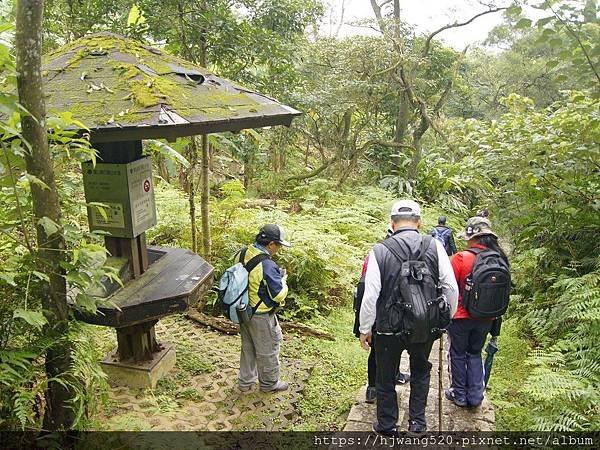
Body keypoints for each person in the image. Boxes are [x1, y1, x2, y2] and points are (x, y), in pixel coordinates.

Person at [359, 200, 458, 436]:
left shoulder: (379, 250)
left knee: (385, 377)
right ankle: (417, 423)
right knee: (421, 372)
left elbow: (370, 294)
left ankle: (386, 425)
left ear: (392, 224)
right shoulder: (434, 246)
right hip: (424, 325)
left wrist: (365, 329)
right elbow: (450, 287)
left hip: (387, 328)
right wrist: (445, 318)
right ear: (419, 223)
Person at [445, 216, 509, 407]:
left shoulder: (461, 258)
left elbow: (448, 287)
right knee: (474, 353)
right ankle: (475, 396)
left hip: (461, 317)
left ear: (472, 237)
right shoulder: (500, 259)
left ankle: (459, 394)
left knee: (457, 353)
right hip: (487, 317)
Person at [236, 224, 290, 393]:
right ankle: (269, 384)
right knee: (268, 349)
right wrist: (283, 281)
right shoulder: (267, 264)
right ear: (271, 244)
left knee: (248, 347)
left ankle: (245, 382)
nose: (279, 249)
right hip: (261, 314)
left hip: (243, 310)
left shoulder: (243, 253)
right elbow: (278, 295)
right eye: (279, 245)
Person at [353, 247, 410, 405]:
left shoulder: (374, 255)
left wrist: (365, 325)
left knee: (376, 350)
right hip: (387, 313)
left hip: (376, 311)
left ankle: (372, 388)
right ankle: (386, 382)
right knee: (390, 348)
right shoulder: (398, 257)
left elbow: (365, 287)